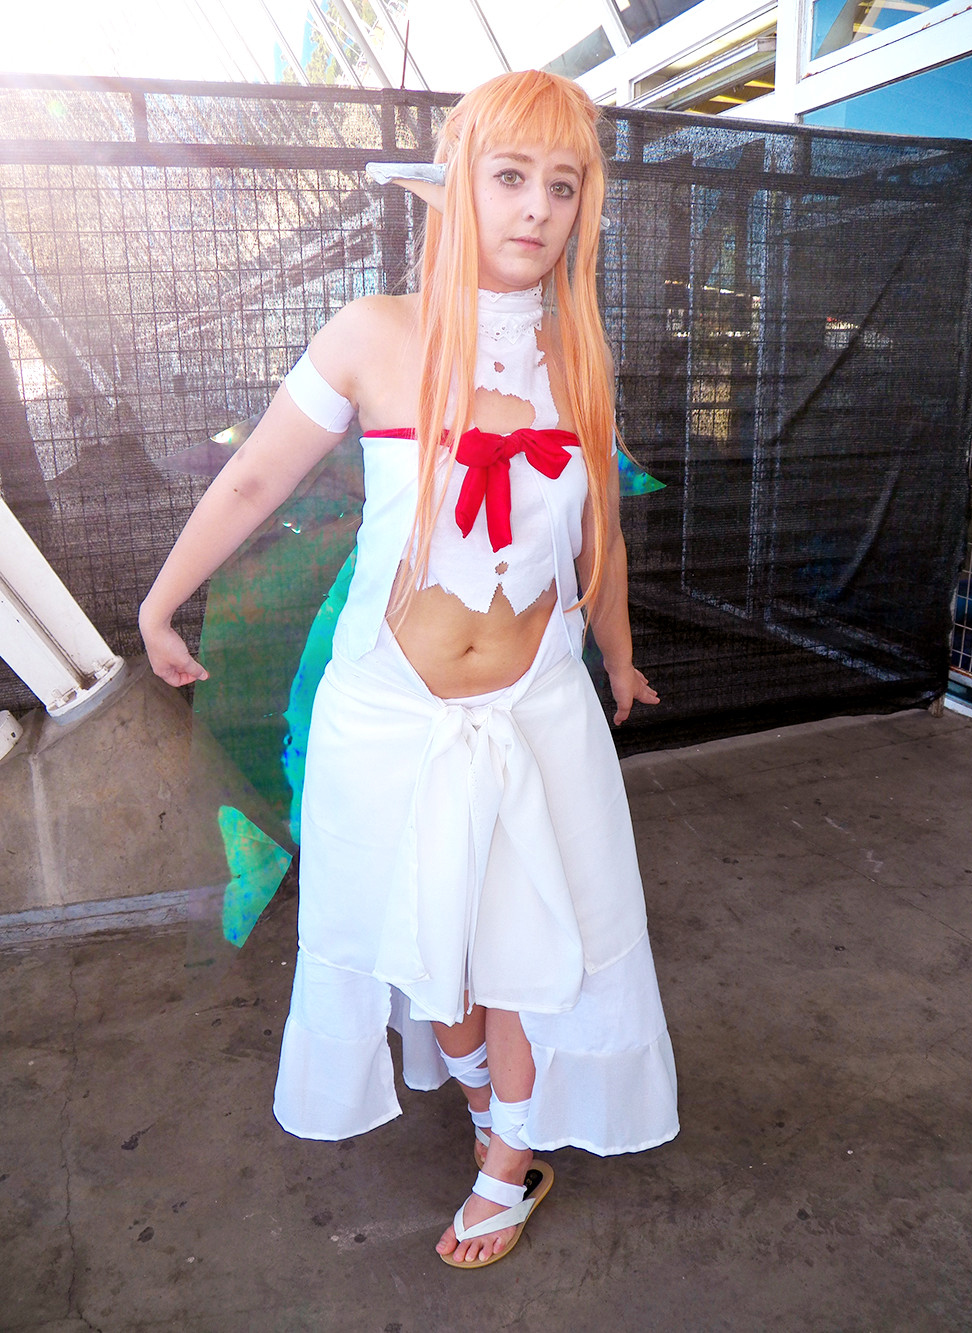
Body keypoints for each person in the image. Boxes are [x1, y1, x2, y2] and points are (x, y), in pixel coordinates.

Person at [140, 69, 679, 1270]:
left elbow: (598, 532)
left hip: (534, 714)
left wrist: (619, 652)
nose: (535, 207)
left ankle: (508, 1160)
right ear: (456, 185)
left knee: (528, 952)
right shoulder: (372, 333)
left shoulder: (578, 354)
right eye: (509, 176)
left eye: (562, 185)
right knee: (436, 956)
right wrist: (161, 599)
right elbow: (253, 477)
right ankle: (492, 1109)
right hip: (388, 720)